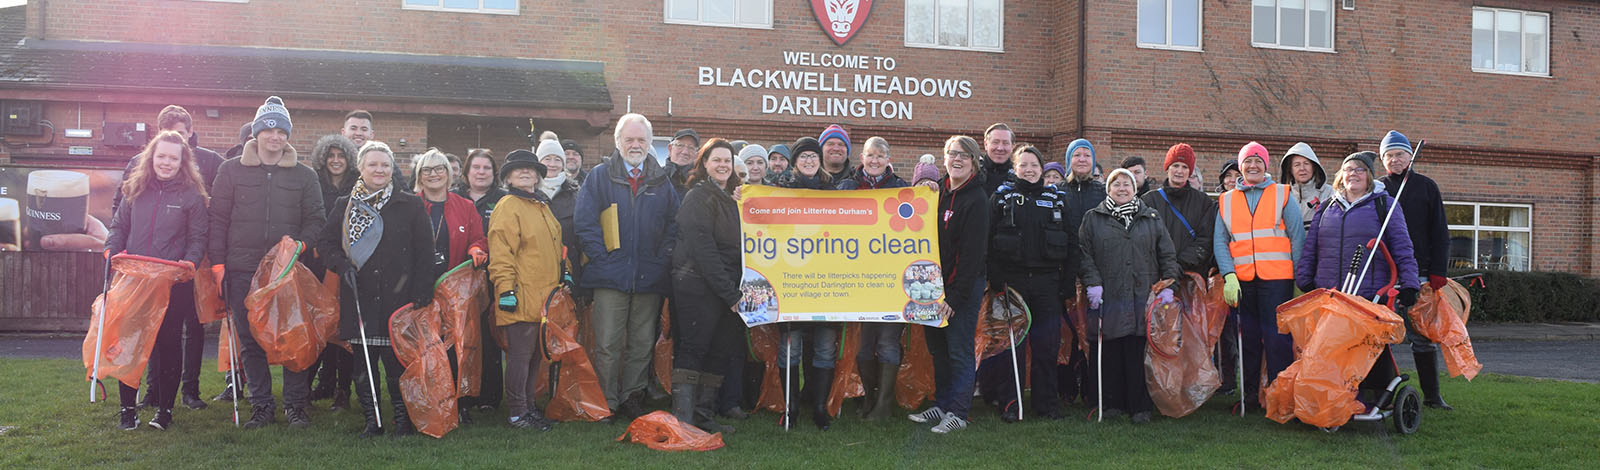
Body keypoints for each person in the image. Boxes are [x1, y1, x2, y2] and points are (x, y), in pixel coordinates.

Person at [209, 96, 326, 429]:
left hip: (285, 271)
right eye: (269, 130)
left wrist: (301, 245)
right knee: (250, 341)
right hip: (241, 268)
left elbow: (317, 219)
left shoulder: (305, 176)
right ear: (256, 133)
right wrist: (218, 263)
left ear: (288, 136)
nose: (275, 137)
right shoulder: (230, 171)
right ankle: (262, 405)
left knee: (291, 338)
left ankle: (295, 406)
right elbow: (217, 218)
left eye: (281, 131)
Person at [317, 141, 433, 437]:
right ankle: (373, 419)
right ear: (361, 168)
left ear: (392, 168)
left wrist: (422, 292)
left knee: (398, 365)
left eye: (385, 164)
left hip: (400, 298)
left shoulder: (411, 204)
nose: (379, 169)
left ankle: (402, 420)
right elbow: (326, 243)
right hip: (361, 296)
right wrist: (341, 267)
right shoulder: (345, 205)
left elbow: (424, 252)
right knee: (363, 364)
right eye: (372, 164)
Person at [112, 105, 222, 412]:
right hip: (137, 276)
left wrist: (190, 261)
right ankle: (141, 399)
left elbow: (200, 233)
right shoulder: (137, 180)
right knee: (139, 337)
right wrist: (113, 249)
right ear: (153, 151)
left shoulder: (199, 182)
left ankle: (177, 400)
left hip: (178, 277)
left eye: (174, 157)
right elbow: (119, 221)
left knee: (178, 338)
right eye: (161, 155)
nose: (166, 161)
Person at [574, 113, 680, 421]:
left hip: (649, 277)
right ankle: (607, 401)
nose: (636, 145)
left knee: (641, 343)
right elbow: (585, 223)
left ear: (650, 144)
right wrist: (603, 259)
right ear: (618, 142)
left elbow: (673, 225)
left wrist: (661, 259)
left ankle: (633, 398)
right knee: (607, 343)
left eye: (642, 140)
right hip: (609, 276)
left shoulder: (661, 180)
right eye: (629, 139)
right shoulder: (599, 176)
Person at [1297, 151, 1421, 409]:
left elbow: (1402, 246)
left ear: (1369, 176)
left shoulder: (1384, 205)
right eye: (1349, 169)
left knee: (1366, 350)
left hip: (1369, 293)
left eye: (1360, 170)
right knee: (1332, 349)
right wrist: (1305, 277)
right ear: (1341, 175)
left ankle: (1374, 398)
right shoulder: (1327, 207)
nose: (1353, 174)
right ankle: (1332, 399)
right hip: (1331, 293)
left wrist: (1410, 283)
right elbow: (1312, 247)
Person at [1080, 168, 1180, 424]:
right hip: (1108, 295)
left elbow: (1167, 254)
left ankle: (1140, 406)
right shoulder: (1093, 218)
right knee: (1110, 348)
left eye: (1127, 184)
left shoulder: (1151, 217)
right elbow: (1085, 253)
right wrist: (1093, 283)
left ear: (1135, 189)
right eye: (1116, 184)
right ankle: (1111, 403)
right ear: (1108, 189)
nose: (1122, 188)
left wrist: (1168, 285)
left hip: (1142, 294)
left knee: (1138, 350)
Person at [1211, 142, 1305, 412]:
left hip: (1277, 281)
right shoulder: (1226, 200)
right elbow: (1220, 242)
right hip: (1242, 283)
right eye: (1248, 161)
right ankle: (1250, 396)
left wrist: (1298, 280)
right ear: (1240, 167)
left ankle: (1280, 399)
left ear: (1266, 165)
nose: (1253, 166)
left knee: (1277, 341)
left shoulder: (1282, 194)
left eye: (1258, 161)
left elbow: (1297, 237)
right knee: (1248, 340)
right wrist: (1229, 276)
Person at [907, 135, 989, 434]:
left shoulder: (977, 199)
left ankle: (958, 412)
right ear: (944, 158)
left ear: (973, 162)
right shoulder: (938, 191)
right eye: (952, 153)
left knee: (959, 351)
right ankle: (942, 404)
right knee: (938, 350)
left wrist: (953, 297)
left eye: (963, 156)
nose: (957, 159)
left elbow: (972, 256)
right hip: (931, 287)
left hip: (959, 290)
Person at [984, 144, 1071, 422]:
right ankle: (1011, 404)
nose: (1029, 170)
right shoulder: (1001, 198)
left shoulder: (1057, 199)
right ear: (1015, 168)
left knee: (1046, 346)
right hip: (1013, 283)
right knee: (1012, 346)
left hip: (1047, 284)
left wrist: (1067, 283)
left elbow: (1073, 243)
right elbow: (986, 241)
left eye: (1035, 165)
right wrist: (996, 279)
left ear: (1042, 169)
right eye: (1023, 165)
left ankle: (1047, 406)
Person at [668, 138, 745, 434]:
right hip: (697, 285)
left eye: (727, 160)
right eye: (717, 160)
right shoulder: (697, 197)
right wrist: (729, 293)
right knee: (694, 348)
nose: (723, 165)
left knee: (719, 350)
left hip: (727, 288)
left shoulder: (734, 198)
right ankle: (684, 420)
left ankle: (703, 415)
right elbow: (704, 250)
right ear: (704, 164)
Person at [485, 149, 564, 431]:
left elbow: (554, 247)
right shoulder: (509, 205)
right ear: (508, 176)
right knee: (519, 356)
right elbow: (501, 252)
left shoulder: (541, 206)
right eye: (519, 170)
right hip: (520, 294)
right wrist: (505, 290)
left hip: (544, 297)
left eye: (531, 169)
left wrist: (564, 271)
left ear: (538, 176)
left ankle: (530, 407)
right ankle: (518, 413)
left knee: (533, 356)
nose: (526, 172)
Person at [1376, 130, 1454, 410]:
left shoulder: (1426, 187)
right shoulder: (1378, 189)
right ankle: (1379, 393)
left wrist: (1437, 271)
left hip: (1419, 274)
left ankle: (1432, 396)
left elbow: (1440, 232)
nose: (1394, 160)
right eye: (1389, 156)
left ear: (1410, 156)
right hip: (1383, 275)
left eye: (1399, 154)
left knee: (1422, 338)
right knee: (1378, 336)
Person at [834, 137, 910, 421]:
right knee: (865, 345)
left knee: (888, 342)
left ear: (888, 158)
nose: (875, 160)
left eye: (880, 155)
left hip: (892, 280)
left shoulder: (903, 189)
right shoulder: (846, 187)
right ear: (862, 158)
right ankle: (869, 397)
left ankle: (883, 405)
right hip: (860, 280)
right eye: (870, 155)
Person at [413, 149, 490, 423]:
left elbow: (479, 238)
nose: (433, 174)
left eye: (439, 169)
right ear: (419, 176)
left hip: (456, 290)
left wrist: (475, 250)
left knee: (457, 347)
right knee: (426, 347)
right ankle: (429, 401)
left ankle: (460, 403)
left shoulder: (465, 206)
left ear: (449, 173)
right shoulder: (411, 204)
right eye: (427, 170)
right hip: (419, 288)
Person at [772, 135, 840, 429]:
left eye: (814, 156)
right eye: (804, 157)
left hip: (826, 282)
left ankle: (819, 408)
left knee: (825, 347)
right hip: (792, 282)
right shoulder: (781, 190)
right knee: (792, 347)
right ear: (795, 162)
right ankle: (791, 408)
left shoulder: (834, 191)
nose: (810, 161)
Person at [305, 134, 360, 411]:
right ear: (323, 158)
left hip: (348, 263)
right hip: (318, 263)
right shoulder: (314, 183)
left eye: (341, 156)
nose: (336, 161)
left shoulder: (358, 184)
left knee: (344, 329)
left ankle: (342, 389)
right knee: (320, 325)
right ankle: (320, 383)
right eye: (331, 156)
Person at [454, 148, 508, 414]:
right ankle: (461, 392)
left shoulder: (503, 200)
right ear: (466, 173)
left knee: (488, 335)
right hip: (459, 277)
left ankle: (489, 395)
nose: (481, 172)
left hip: (493, 275)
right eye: (476, 167)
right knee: (461, 336)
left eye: (487, 168)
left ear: (494, 173)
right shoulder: (453, 198)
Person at [1056, 138, 1104, 407]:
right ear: (1069, 161)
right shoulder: (1058, 191)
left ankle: (1090, 388)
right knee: (1065, 332)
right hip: (1064, 268)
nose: (1083, 159)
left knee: (1091, 332)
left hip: (1094, 271)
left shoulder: (1101, 191)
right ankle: (1064, 388)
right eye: (1077, 155)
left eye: (1087, 155)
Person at [1141, 143, 1217, 276]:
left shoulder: (1203, 202)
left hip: (1190, 275)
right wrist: (1165, 266)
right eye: (1175, 165)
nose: (1179, 171)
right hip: (1156, 274)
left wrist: (1179, 265)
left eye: (1185, 167)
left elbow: (1205, 240)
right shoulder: (1149, 200)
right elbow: (1143, 238)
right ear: (1167, 168)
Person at [535, 140, 584, 285]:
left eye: (557, 159)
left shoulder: (575, 193)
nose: (552, 164)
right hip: (536, 268)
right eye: (547, 159)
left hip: (570, 267)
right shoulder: (529, 192)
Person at [1280, 143, 1332, 231]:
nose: (1302, 168)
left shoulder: (1329, 194)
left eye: (1306, 163)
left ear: (1314, 167)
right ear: (1290, 170)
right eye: (1297, 165)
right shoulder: (1281, 196)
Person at [980, 123, 1015, 194]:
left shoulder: (1019, 175)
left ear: (1012, 146)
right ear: (986, 144)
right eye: (995, 142)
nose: (1000, 148)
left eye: (1005, 143)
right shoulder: (973, 171)